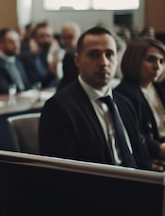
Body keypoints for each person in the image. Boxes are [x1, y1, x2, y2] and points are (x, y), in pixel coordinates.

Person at [39, 26, 152, 170]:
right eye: (94, 55)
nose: (104, 63)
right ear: (77, 60)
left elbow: (142, 157)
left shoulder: (125, 103)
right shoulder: (58, 108)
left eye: (109, 54)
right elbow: (62, 175)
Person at [114, 37, 165, 164]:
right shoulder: (124, 93)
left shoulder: (160, 86)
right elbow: (135, 136)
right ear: (134, 61)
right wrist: (160, 149)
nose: (157, 66)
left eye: (161, 61)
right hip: (151, 156)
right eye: (150, 59)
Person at [20, 22, 62, 88]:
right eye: (41, 36)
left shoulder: (58, 53)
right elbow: (39, 81)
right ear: (34, 38)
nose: (45, 39)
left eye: (48, 36)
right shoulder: (29, 56)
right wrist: (51, 71)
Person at [57, 21, 81, 90]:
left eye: (70, 37)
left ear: (79, 37)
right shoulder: (68, 54)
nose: (66, 41)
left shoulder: (84, 56)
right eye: (64, 38)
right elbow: (66, 79)